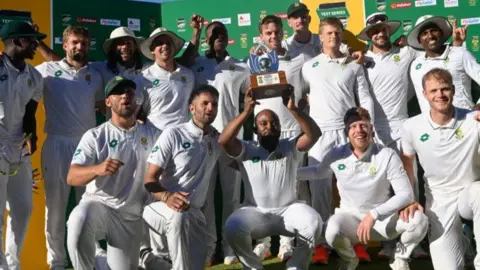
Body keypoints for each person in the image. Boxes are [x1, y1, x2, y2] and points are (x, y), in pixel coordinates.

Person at [297, 107, 429, 270]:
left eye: (363, 125)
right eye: (353, 126)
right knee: (331, 230)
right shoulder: (336, 154)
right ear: (347, 131)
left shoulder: (387, 154)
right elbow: (318, 172)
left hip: (383, 221)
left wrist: (374, 214)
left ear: (371, 128)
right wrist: (290, 174)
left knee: (420, 220)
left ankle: (400, 258)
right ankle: (349, 259)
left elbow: (406, 194)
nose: (359, 130)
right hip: (350, 220)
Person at [220, 86, 322, 270]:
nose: (269, 126)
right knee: (232, 226)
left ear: (280, 127)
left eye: (274, 122)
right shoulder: (246, 148)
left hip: (289, 210)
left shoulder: (290, 145)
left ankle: (296, 265)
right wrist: (246, 111)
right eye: (263, 123)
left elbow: (314, 134)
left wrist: (292, 109)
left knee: (313, 222)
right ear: (255, 128)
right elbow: (224, 141)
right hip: (256, 212)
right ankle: (252, 267)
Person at [65, 76, 160, 270]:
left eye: (130, 93)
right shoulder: (95, 136)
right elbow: (72, 176)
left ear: (136, 100)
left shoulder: (153, 134)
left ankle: (101, 259)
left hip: (131, 217)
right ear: (108, 102)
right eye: (118, 93)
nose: (126, 96)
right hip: (100, 206)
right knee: (78, 219)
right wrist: (97, 169)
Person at [301, 16, 374, 264]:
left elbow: (364, 99)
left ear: (342, 35)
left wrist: (367, 125)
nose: (333, 36)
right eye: (328, 33)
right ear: (320, 37)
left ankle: (356, 242)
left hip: (347, 132)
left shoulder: (354, 65)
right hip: (319, 135)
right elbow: (300, 99)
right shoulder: (309, 66)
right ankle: (320, 245)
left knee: (352, 189)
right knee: (320, 189)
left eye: (337, 32)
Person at [35, 25, 104, 270]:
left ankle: (92, 256)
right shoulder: (46, 71)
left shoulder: (95, 76)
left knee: (90, 203)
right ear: (64, 45)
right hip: (56, 143)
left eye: (84, 43)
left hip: (87, 146)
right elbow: (22, 87)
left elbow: (103, 107)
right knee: (55, 206)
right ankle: (57, 261)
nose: (79, 47)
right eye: (74, 42)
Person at [401, 68, 480, 270]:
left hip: (469, 196)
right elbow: (408, 163)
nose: (440, 95)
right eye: (434, 90)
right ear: (424, 94)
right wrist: (409, 198)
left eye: (445, 89)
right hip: (439, 202)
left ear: (453, 90)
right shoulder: (411, 126)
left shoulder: (474, 120)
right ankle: (464, 241)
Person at [247, 15, 310, 263]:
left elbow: (309, 94)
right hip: (263, 134)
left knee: (293, 190)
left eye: (276, 32)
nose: (273, 37)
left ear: (283, 32)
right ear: (261, 36)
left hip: (291, 133)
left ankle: (287, 242)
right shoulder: (251, 62)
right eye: (268, 33)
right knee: (260, 190)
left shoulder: (298, 62)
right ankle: (262, 243)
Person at [189, 21, 250, 265]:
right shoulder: (196, 66)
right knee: (204, 199)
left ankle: (230, 247)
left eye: (222, 34)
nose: (218, 38)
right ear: (206, 39)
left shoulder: (241, 67)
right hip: (203, 141)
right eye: (213, 34)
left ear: (228, 38)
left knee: (232, 197)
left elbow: (251, 101)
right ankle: (208, 248)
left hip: (231, 141)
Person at [142, 84, 222, 269]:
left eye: (214, 104)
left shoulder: (217, 139)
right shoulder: (173, 134)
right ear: (191, 108)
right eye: (205, 103)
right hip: (159, 208)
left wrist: (248, 108)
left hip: (194, 213)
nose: (210, 108)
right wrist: (167, 197)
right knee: (179, 217)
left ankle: (147, 260)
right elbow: (150, 179)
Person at [0, 20, 45, 270]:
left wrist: (31, 134)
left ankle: (13, 265)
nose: (36, 44)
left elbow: (30, 113)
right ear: (17, 42)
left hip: (19, 150)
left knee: (23, 210)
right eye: (31, 39)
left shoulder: (35, 76)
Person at [408, 16, 480, 113]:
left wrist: (479, 106)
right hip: (431, 126)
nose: (430, 35)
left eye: (433, 31)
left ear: (441, 34)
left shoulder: (460, 53)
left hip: (464, 122)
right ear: (419, 40)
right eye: (424, 33)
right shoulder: (415, 65)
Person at [139, 27, 195, 131]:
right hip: (155, 138)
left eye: (168, 43)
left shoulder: (188, 74)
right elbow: (136, 113)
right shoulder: (143, 78)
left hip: (184, 138)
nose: (165, 46)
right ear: (152, 50)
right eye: (159, 43)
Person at [282, 2, 347, 58]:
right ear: (289, 22)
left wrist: (352, 51)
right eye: (296, 17)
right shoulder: (285, 45)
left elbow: (344, 49)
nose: (300, 20)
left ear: (309, 19)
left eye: (303, 17)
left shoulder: (322, 39)